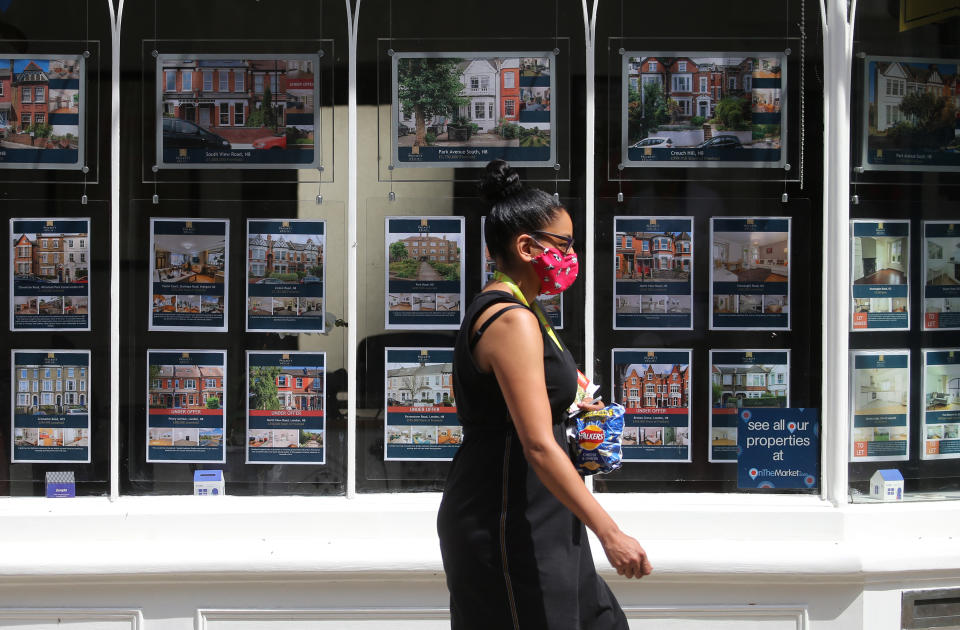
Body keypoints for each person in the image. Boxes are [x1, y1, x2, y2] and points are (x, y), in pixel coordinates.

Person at [437, 160, 652, 629]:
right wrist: (610, 532)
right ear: (527, 246)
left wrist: (574, 408)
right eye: (565, 244)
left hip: (545, 513)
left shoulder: (523, 309)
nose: (572, 255)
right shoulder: (510, 319)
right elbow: (535, 443)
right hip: (508, 518)